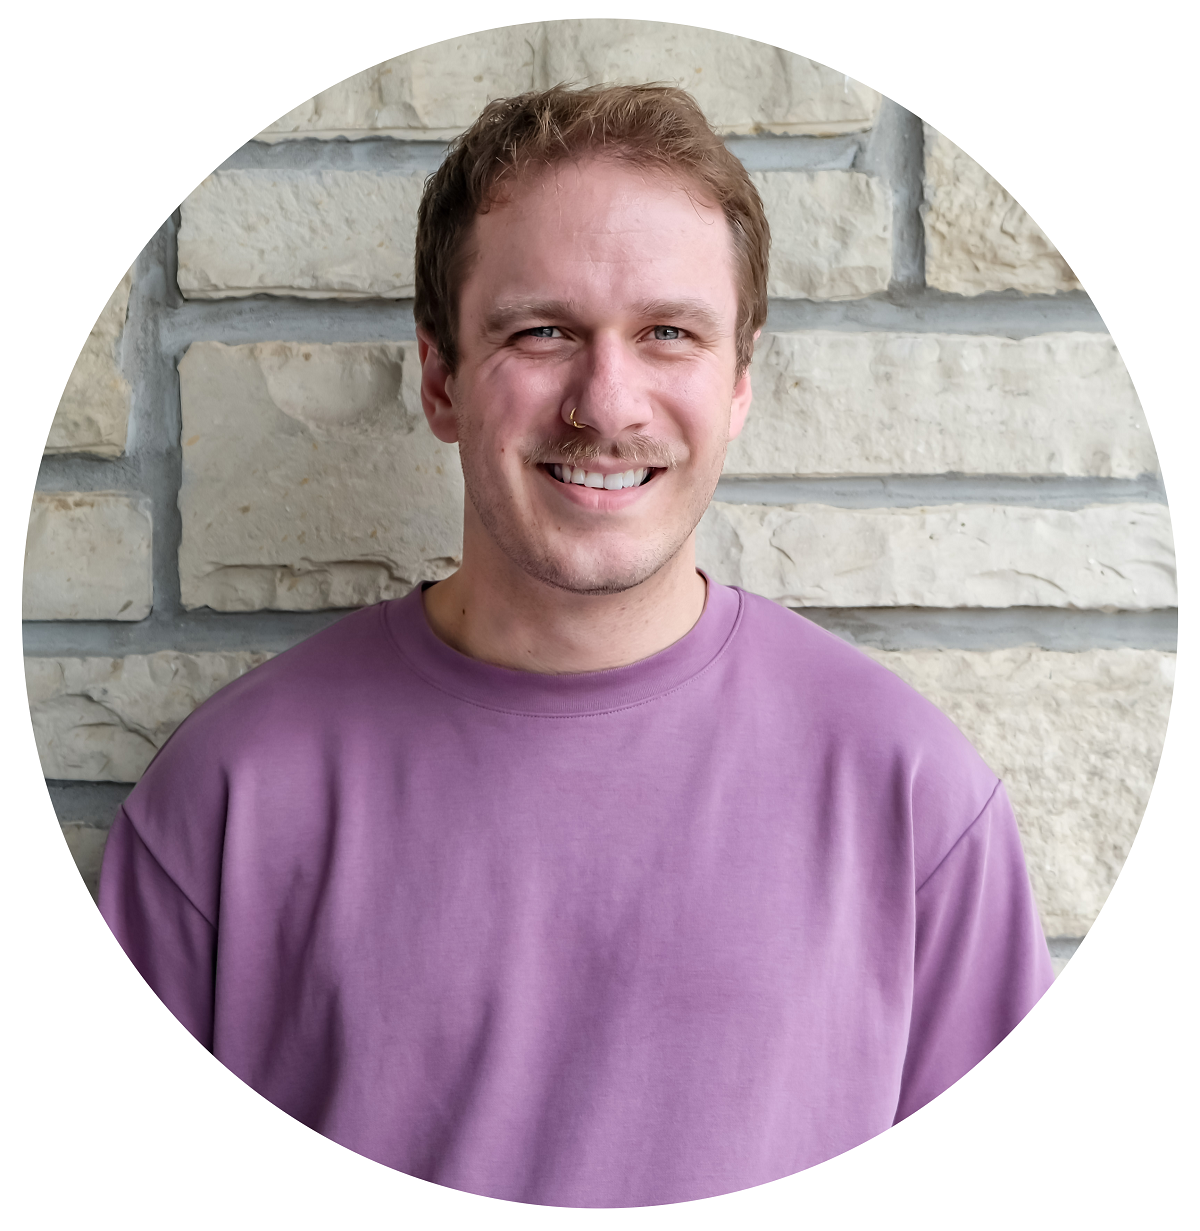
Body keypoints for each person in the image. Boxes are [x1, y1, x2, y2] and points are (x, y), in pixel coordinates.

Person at [99, 84, 1053, 1208]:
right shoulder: (227, 798)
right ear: (443, 378)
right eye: (542, 330)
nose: (607, 404)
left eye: (668, 333)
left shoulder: (912, 797)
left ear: (738, 383)